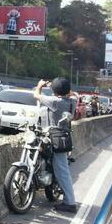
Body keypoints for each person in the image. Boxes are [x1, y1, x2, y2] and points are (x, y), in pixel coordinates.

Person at [34, 77, 77, 213]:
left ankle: (70, 203)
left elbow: (36, 95)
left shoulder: (54, 102)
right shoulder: (72, 102)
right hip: (64, 137)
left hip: (54, 138)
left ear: (54, 90)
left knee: (62, 171)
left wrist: (40, 85)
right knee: (59, 168)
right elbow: (74, 94)